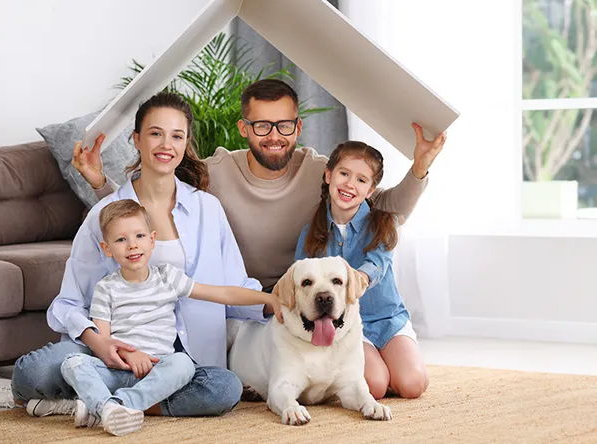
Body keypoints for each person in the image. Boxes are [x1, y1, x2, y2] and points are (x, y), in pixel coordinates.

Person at [0, 92, 273, 417]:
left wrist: (278, 303)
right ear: (136, 139)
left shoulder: (208, 208)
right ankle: (106, 396)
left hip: (182, 359)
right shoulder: (105, 214)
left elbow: (235, 287)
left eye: (176, 135)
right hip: (116, 352)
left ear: (186, 143)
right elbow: (69, 303)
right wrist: (102, 346)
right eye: (155, 133)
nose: (166, 144)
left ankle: (92, 403)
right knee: (35, 371)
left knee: (224, 389)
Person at [77, 79, 446, 292]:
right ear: (244, 129)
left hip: (302, 298)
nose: (274, 136)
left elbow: (385, 211)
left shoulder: (323, 173)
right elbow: (147, 203)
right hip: (239, 301)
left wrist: (420, 168)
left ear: (298, 128)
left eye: (284, 125)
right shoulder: (216, 171)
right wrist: (99, 183)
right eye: (262, 126)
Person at [63, 199, 280, 435]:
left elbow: (221, 292)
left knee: (185, 364)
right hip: (119, 371)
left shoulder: (167, 277)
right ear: (107, 249)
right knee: (73, 363)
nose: (132, 246)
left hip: (162, 371)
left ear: (152, 239)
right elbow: (104, 344)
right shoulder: (105, 288)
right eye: (121, 240)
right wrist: (130, 354)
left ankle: (112, 405)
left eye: (139, 236)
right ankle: (113, 406)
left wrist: (267, 299)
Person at [295, 141, 427, 400]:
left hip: (388, 319)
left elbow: (377, 264)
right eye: (344, 174)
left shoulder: (384, 223)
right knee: (375, 387)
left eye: (361, 179)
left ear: (370, 190)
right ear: (329, 175)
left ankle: (395, 365)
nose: (349, 184)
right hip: (348, 327)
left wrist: (359, 278)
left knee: (412, 385)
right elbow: (298, 277)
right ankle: (367, 371)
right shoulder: (311, 232)